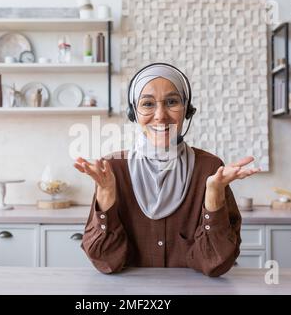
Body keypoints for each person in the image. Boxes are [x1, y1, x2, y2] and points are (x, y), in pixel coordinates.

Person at [73, 63, 261, 277]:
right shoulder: (112, 168)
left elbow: (216, 264)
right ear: (134, 112)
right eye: (147, 104)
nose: (160, 115)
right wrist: (106, 193)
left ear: (187, 110)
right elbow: (105, 262)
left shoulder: (209, 168)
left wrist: (214, 195)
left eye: (172, 102)